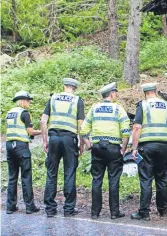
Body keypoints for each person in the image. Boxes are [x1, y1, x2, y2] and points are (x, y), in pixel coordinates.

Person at [80, 82, 130, 220]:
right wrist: (124, 149)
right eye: (116, 93)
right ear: (112, 94)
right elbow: (126, 132)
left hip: (97, 148)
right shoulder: (118, 109)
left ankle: (95, 213)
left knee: (96, 180)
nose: (116, 95)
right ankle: (114, 212)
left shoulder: (94, 108)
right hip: (113, 149)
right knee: (113, 180)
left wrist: (89, 144)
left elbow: (83, 130)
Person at [41, 78, 85, 217]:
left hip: (53, 138)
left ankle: (50, 209)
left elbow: (43, 121)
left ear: (64, 86)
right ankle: (68, 209)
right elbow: (80, 124)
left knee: (51, 173)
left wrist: (44, 140)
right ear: (74, 88)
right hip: (69, 140)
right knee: (70, 172)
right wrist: (81, 143)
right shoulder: (77, 100)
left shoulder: (53, 98)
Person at [131, 83, 167, 221]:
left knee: (146, 179)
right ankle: (163, 210)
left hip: (147, 147)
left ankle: (144, 212)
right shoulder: (166, 105)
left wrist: (134, 148)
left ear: (145, 92)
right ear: (155, 91)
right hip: (163, 145)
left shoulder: (142, 105)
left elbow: (137, 128)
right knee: (161, 178)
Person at [5, 91, 41, 215]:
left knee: (12, 177)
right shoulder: (24, 113)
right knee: (26, 176)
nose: (29, 102)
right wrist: (42, 131)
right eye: (28, 100)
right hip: (21, 147)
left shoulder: (9, 113)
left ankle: (10, 206)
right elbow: (30, 132)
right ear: (23, 100)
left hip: (9, 146)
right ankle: (29, 206)